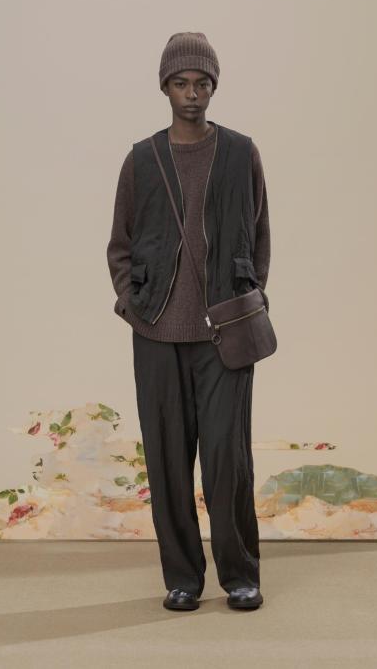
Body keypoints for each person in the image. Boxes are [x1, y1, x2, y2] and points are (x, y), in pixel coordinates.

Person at [106, 32, 271, 611]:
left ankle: (240, 574)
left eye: (202, 83)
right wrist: (131, 304)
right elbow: (120, 243)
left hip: (225, 333)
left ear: (214, 87)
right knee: (168, 462)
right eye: (181, 83)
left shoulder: (241, 153)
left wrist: (248, 298)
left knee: (229, 461)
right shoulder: (142, 159)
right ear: (165, 87)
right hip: (157, 333)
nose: (192, 94)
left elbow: (258, 234)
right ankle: (182, 578)